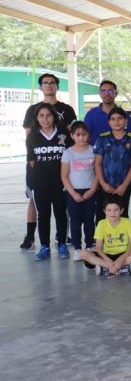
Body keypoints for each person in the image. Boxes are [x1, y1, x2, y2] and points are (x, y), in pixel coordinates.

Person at [21, 73, 77, 250]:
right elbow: (30, 137)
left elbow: (71, 136)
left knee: (62, 204)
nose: (49, 85)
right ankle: (30, 236)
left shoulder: (66, 109)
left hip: (60, 165)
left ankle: (62, 237)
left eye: (52, 82)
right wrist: (33, 162)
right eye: (45, 83)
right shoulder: (32, 109)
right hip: (39, 165)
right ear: (41, 87)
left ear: (57, 86)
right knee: (35, 201)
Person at [26, 103, 73, 260]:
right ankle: (44, 247)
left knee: (61, 214)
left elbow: (70, 156)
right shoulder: (33, 136)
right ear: (36, 118)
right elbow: (31, 160)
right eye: (41, 116)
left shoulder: (63, 133)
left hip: (61, 182)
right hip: (41, 183)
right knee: (43, 215)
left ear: (54, 116)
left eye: (48, 115)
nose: (45, 119)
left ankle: (62, 245)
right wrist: (38, 177)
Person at [93, 107, 131, 221]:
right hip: (105, 185)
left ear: (126, 121)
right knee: (101, 216)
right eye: (113, 119)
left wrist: (124, 185)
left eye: (120, 118)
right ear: (109, 122)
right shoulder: (103, 138)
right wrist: (103, 184)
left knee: (122, 215)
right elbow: (98, 163)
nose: (116, 121)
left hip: (123, 186)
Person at [61, 121, 97, 261]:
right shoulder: (68, 153)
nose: (81, 137)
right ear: (72, 136)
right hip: (73, 192)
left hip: (89, 191)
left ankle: (89, 246)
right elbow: (64, 175)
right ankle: (77, 248)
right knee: (75, 221)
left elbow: (97, 173)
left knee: (89, 220)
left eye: (84, 134)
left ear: (88, 135)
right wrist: (73, 193)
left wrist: (92, 190)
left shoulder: (93, 150)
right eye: (78, 135)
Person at [80, 198, 131, 276]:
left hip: (124, 254)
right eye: (109, 210)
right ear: (104, 211)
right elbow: (98, 248)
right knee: (83, 253)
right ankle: (118, 268)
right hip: (107, 254)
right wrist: (108, 261)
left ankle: (105, 268)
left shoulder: (128, 222)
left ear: (121, 211)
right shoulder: (101, 224)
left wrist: (121, 259)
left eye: (116, 210)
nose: (112, 213)